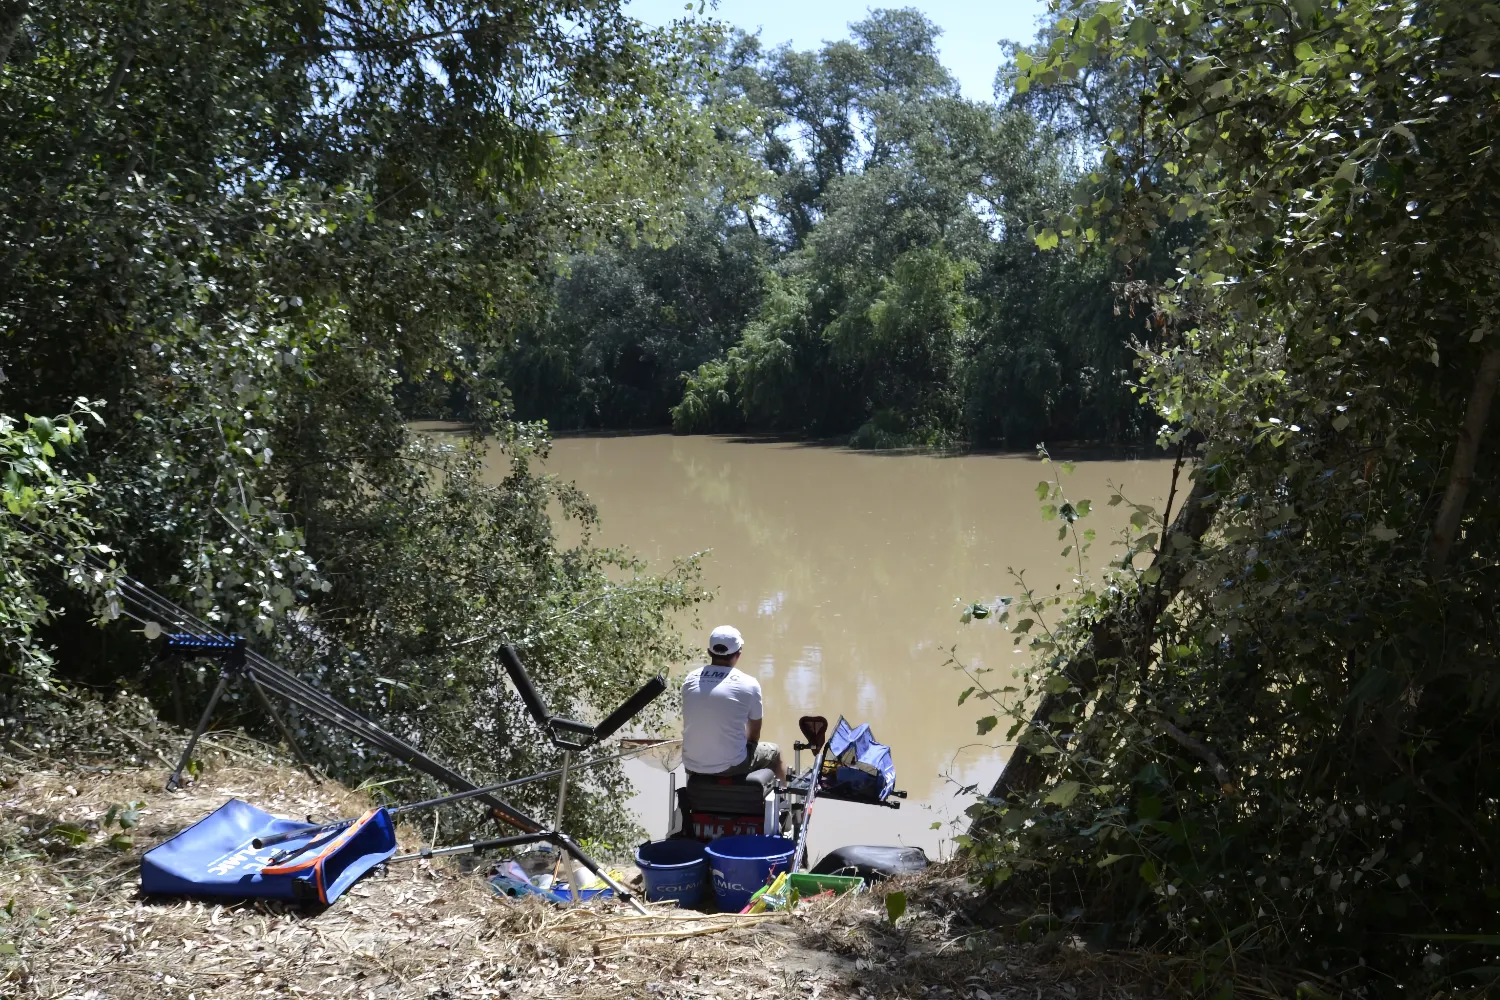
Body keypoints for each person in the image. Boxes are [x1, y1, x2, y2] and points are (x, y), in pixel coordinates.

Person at [680, 625, 785, 781]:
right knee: (775, 752)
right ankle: (785, 798)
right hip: (730, 767)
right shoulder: (749, 684)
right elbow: (754, 736)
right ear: (739, 654)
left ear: (709, 652)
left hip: (691, 765)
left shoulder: (690, 679)